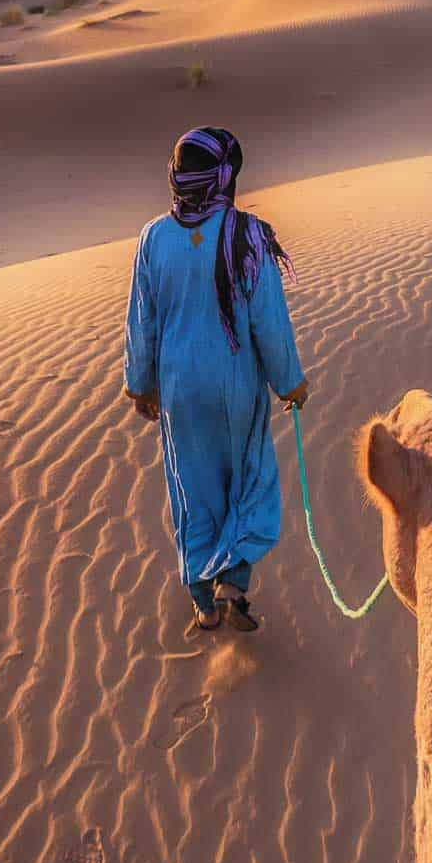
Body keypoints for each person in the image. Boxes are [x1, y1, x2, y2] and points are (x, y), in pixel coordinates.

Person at [123, 127, 310, 638]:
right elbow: (268, 322)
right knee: (249, 480)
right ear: (227, 177)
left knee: (195, 490)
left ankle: (204, 604)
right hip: (236, 386)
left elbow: (143, 322)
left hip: (180, 388)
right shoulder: (248, 235)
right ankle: (233, 581)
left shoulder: (153, 238)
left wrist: (140, 384)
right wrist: (290, 382)